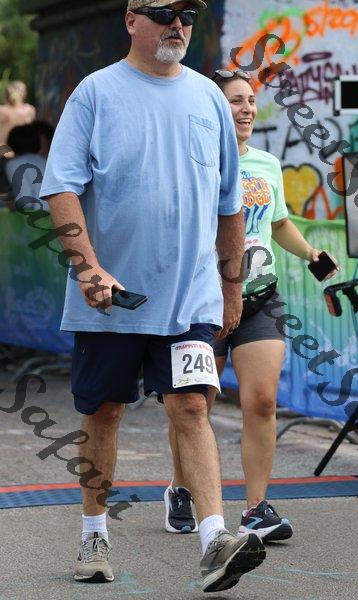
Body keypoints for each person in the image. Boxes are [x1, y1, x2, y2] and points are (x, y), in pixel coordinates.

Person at [40, 1, 266, 593]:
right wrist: (88, 268)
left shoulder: (209, 98)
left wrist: (231, 286)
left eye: (187, 13)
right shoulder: (95, 93)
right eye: (164, 11)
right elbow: (60, 187)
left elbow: (230, 203)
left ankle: (215, 539)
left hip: (189, 297)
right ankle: (94, 534)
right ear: (131, 19)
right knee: (104, 413)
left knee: (191, 407)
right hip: (112, 299)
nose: (178, 23)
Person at [165, 69, 339, 542]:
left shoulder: (266, 163)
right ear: (214, 108)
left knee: (261, 402)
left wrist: (311, 254)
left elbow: (277, 223)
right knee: (194, 404)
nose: (245, 109)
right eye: (234, 101)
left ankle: (256, 510)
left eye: (250, 100)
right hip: (203, 300)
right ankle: (182, 488)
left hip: (260, 299)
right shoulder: (194, 160)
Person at [3, 123, 48, 212]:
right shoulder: (44, 161)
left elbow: (26, 201)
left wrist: (12, 205)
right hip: (56, 212)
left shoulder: (13, 164)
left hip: (40, 214)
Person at [0, 81, 36, 150]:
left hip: (22, 149)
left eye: (23, 90)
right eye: (19, 90)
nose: (22, 93)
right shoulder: (2, 110)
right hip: (4, 149)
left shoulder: (29, 109)